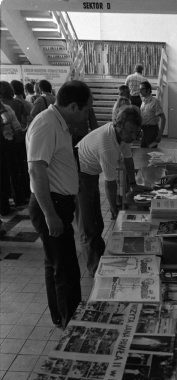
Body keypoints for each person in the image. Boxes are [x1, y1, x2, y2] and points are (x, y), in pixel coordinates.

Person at [26, 80, 92, 329]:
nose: (87, 115)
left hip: (58, 203)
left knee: (54, 262)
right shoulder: (46, 124)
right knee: (65, 269)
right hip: (50, 205)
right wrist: (50, 214)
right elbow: (36, 170)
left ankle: (60, 317)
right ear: (73, 106)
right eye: (86, 109)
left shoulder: (58, 123)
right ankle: (71, 325)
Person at [76, 105, 142, 276]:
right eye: (130, 132)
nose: (133, 136)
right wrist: (114, 209)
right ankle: (94, 270)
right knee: (88, 224)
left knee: (97, 220)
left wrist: (134, 184)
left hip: (90, 172)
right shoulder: (107, 144)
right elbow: (110, 183)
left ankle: (101, 258)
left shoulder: (122, 136)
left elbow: (128, 160)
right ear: (118, 125)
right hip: (79, 173)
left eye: (136, 132)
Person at [0, 81, 28, 208]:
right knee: (14, 171)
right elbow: (19, 125)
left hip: (7, 144)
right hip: (12, 144)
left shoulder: (6, 106)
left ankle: (4, 203)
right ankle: (19, 197)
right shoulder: (13, 105)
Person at [0, 99, 23, 215]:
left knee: (5, 177)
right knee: (7, 175)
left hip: (5, 144)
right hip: (7, 143)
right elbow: (12, 122)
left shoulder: (4, 108)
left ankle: (4, 206)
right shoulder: (6, 107)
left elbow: (6, 119)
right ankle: (6, 206)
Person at [139, 80, 166, 148]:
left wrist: (160, 134)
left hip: (152, 131)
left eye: (142, 89)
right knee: (143, 152)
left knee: (151, 153)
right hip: (144, 130)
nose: (140, 91)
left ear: (148, 90)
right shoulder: (143, 102)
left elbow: (163, 118)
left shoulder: (155, 102)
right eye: (140, 89)